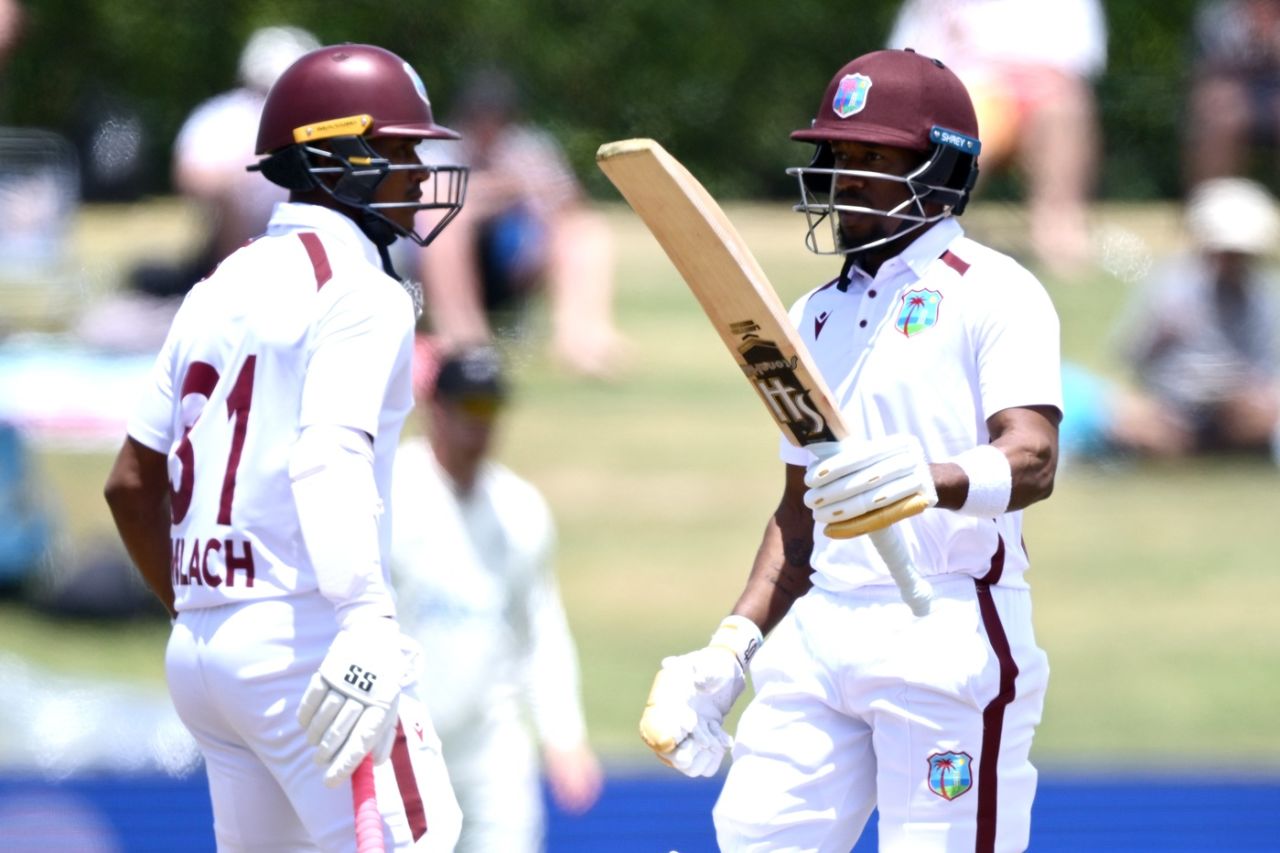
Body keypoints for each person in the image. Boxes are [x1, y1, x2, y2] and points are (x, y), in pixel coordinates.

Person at [639, 49, 1062, 852]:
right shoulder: (812, 314)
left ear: (940, 167)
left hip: (945, 621)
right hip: (820, 633)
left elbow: (1034, 457)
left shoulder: (995, 288)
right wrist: (729, 650)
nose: (844, 175)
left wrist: (927, 479)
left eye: (874, 157)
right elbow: (799, 515)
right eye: (838, 155)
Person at [102, 43, 470, 851]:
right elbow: (326, 457)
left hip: (203, 651)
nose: (417, 174)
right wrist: (366, 621)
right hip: (310, 635)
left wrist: (203, 608)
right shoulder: (362, 289)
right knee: (425, 839)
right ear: (337, 155)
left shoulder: (214, 286)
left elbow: (130, 482)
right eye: (400, 150)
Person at [390, 343, 602, 852]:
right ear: (433, 408)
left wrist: (564, 734)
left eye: (489, 408)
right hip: (398, 743)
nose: (479, 424)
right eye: (468, 406)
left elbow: (540, 629)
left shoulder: (520, 509)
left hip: (491, 747)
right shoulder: (391, 492)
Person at [414, 67, 627, 378]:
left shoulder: (529, 148)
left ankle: (583, 337)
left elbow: (568, 203)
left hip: (515, 257)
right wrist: (505, 189)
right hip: (444, 263)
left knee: (586, 231)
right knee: (446, 225)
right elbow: (430, 203)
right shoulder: (440, 150)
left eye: (497, 117)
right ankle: (464, 341)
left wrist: (522, 193)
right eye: (480, 117)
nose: (488, 126)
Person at [887, 0, 1107, 278]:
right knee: (970, 119)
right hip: (968, 86)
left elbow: (1076, 58)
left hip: (1042, 90)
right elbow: (909, 61)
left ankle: (1059, 236)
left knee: (1064, 108)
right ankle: (917, 235)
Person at [1115, 176, 1280, 459]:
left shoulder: (1263, 294)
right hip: (1176, 405)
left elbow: (1268, 369)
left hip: (1240, 407)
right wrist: (1160, 336)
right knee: (1134, 423)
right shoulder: (1169, 286)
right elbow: (1130, 356)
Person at [1184, 0, 1280, 187]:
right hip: (1233, 94)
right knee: (1219, 111)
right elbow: (1206, 71)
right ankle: (1211, 199)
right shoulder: (1217, 15)